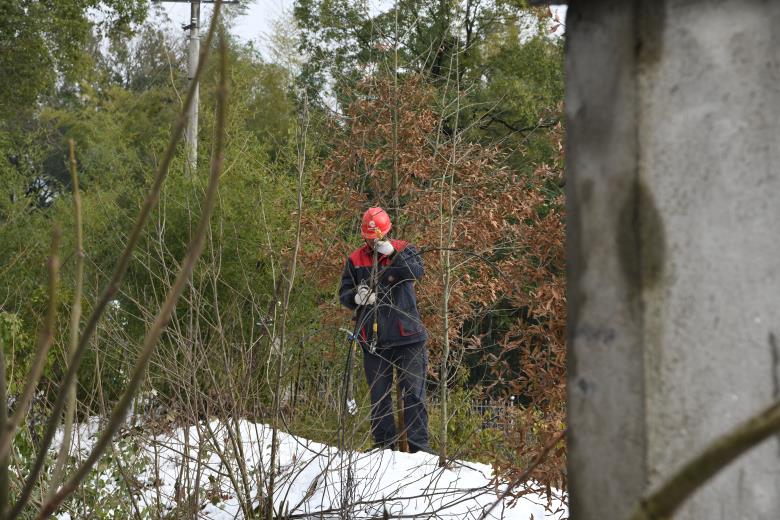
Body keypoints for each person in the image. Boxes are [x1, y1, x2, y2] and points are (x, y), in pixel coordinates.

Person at [338, 207, 430, 453]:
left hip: (408, 337)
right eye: (369, 238)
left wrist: (394, 254)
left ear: (386, 232)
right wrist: (356, 297)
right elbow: (344, 293)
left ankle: (420, 450)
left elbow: (416, 272)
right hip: (373, 340)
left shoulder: (405, 249)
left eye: (376, 236)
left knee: (414, 394)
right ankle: (384, 448)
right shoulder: (356, 259)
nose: (373, 241)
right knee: (379, 397)